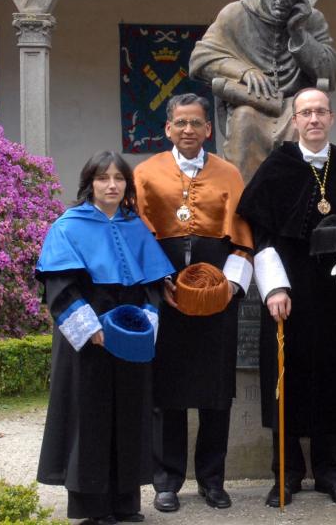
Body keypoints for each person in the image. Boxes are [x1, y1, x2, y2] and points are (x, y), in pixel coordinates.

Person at [237, 88, 336, 508]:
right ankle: (285, 474)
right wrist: (275, 287)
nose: (314, 119)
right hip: (288, 290)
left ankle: (330, 472)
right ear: (295, 120)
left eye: (321, 111)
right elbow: (261, 234)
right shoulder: (279, 165)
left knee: (332, 378)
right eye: (306, 113)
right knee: (285, 380)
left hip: (335, 292)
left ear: (332, 118)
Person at [36, 151, 174, 525]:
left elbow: (153, 284)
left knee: (129, 414)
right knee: (89, 416)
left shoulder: (135, 225)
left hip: (129, 334)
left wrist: (147, 318)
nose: (111, 185)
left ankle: (125, 502)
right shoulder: (67, 226)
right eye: (103, 178)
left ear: (127, 185)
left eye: (118, 178)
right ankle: (92, 508)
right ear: (89, 183)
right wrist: (91, 328)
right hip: (88, 339)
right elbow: (60, 288)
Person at [133, 94, 254, 513]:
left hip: (217, 292)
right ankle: (166, 481)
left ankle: (212, 479)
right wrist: (158, 281)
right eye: (180, 122)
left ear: (207, 129)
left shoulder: (229, 173)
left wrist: (232, 288)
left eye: (196, 123)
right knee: (166, 392)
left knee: (215, 390)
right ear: (168, 128)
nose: (188, 130)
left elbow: (242, 237)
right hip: (165, 293)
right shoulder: (145, 174)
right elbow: (138, 235)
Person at [189, 0, 336, 182]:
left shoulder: (312, 20)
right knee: (245, 118)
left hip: (293, 103)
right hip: (250, 102)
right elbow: (200, 59)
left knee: (299, 119)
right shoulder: (236, 13)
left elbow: (330, 72)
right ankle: (245, 203)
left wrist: (299, 34)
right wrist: (243, 71)